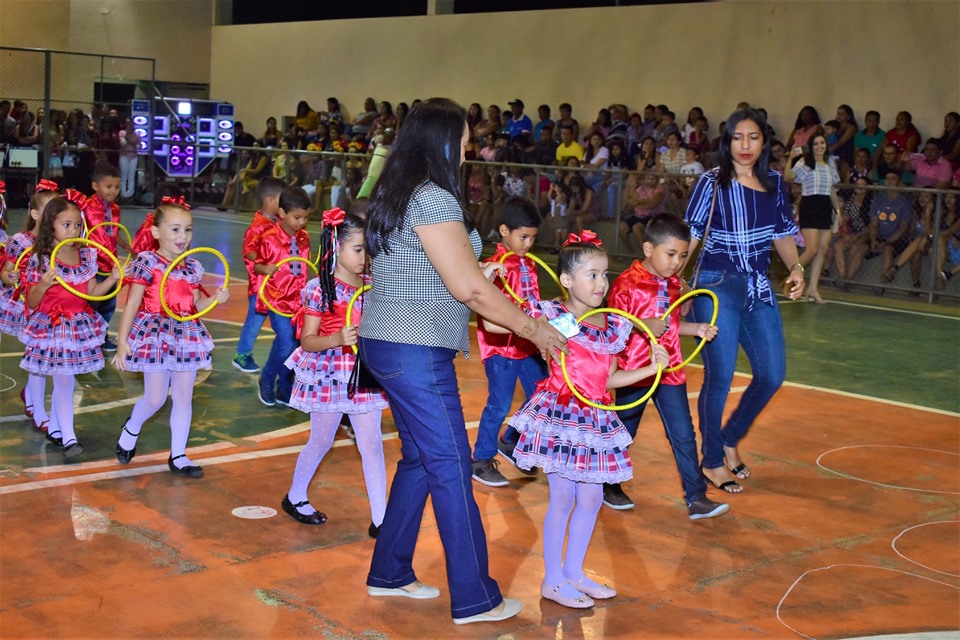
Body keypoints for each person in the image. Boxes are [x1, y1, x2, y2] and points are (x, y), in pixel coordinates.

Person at [358, 97, 565, 625]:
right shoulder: (432, 199)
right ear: (443, 141)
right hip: (415, 349)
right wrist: (535, 330)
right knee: (451, 466)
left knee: (422, 461)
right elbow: (469, 288)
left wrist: (494, 298)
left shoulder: (400, 193)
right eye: (465, 139)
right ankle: (476, 597)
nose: (471, 148)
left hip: (391, 343)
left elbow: (450, 280)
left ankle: (390, 571)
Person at [493, 233, 668, 608]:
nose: (601, 283)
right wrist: (491, 280)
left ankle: (573, 572)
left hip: (595, 418)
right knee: (563, 497)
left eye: (605, 275)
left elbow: (608, 381)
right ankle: (552, 580)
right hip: (560, 415)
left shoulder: (612, 328)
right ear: (567, 280)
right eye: (591, 275)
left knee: (590, 499)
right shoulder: (554, 317)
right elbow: (496, 327)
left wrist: (652, 367)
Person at [683, 108, 804, 493]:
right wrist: (676, 283)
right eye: (738, 137)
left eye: (753, 137)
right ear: (727, 141)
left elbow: (782, 232)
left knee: (771, 374)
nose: (746, 145)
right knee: (719, 375)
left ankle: (731, 437)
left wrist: (797, 268)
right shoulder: (711, 182)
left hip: (758, 287)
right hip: (716, 284)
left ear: (764, 142)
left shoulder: (774, 183)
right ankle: (713, 461)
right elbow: (692, 235)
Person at [606, 213, 727, 518]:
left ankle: (696, 497)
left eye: (683, 256)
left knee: (684, 434)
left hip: (670, 371)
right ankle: (609, 484)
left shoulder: (674, 284)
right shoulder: (627, 284)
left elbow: (670, 326)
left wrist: (696, 329)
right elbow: (612, 326)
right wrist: (641, 325)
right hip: (636, 372)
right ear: (649, 249)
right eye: (670, 254)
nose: (677, 263)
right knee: (625, 431)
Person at [281, 210, 388, 535]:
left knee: (372, 444)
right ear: (335, 247)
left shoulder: (374, 285)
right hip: (329, 373)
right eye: (358, 249)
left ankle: (382, 520)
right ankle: (295, 495)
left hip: (363, 374)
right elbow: (307, 340)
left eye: (367, 249)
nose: (364, 257)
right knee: (322, 440)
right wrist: (336, 339)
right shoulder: (320, 289)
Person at [112, 197, 229, 476]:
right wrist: (121, 341)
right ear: (156, 233)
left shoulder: (192, 267)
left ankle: (178, 455)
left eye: (188, 230)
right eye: (175, 229)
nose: (183, 236)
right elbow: (131, 303)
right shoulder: (147, 262)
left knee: (183, 396)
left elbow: (194, 307)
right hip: (154, 332)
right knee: (155, 400)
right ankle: (132, 427)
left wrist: (216, 300)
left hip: (184, 334)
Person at [20, 192, 122, 457]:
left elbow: (93, 293)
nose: (74, 229)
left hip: (78, 325)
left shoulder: (86, 255)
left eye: (77, 224)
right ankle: (69, 438)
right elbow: (31, 301)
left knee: (65, 379)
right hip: (52, 327)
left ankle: (56, 428)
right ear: (49, 225)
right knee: (64, 382)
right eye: (66, 224)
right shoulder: (39, 258)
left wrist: (111, 279)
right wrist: (43, 284)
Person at [471, 197, 548, 486]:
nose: (528, 243)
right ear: (504, 231)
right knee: (499, 404)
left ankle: (510, 440)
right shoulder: (496, 267)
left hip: (527, 345)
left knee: (541, 396)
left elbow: (533, 303)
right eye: (523, 236)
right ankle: (480, 458)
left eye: (532, 238)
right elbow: (492, 311)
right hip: (502, 348)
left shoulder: (529, 265)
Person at [0, 181, 60, 435]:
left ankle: (32, 397)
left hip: (47, 306)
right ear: (35, 214)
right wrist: (9, 277)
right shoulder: (19, 241)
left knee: (39, 355)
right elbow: (7, 271)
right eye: (48, 211)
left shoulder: (60, 242)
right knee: (37, 356)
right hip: (24, 303)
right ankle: (38, 410)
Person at [253, 186, 312, 407]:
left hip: (299, 302)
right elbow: (256, 266)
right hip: (277, 299)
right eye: (297, 217)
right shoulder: (268, 238)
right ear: (282, 213)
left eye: (305, 218)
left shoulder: (304, 238)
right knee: (286, 341)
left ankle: (284, 387)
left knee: (296, 345)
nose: (301, 223)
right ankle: (267, 378)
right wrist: (264, 268)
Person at [231, 177, 286, 373]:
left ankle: (286, 355)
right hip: (260, 286)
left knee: (284, 324)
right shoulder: (257, 226)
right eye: (282, 199)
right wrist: (264, 263)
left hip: (280, 286)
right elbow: (248, 251)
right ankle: (242, 354)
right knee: (254, 321)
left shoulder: (280, 223)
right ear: (271, 201)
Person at [784, 133, 840, 304]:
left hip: (824, 206)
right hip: (810, 205)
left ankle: (813, 289)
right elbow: (788, 177)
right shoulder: (805, 163)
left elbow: (831, 189)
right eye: (815, 143)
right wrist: (791, 158)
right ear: (811, 145)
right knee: (812, 250)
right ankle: (790, 278)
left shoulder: (830, 163)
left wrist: (837, 211)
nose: (819, 146)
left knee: (823, 249)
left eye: (822, 143)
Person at [83, 163, 126, 351]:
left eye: (117, 187)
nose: (113, 191)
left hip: (111, 264)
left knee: (109, 303)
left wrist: (125, 245)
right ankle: (86, 336)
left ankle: (102, 336)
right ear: (95, 186)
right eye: (109, 186)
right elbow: (93, 235)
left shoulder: (115, 209)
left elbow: (113, 232)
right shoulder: (87, 207)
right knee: (92, 303)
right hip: (94, 263)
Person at [870, 170, 913, 285]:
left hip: (897, 239)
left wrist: (886, 241)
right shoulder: (879, 199)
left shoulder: (904, 202)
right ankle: (846, 280)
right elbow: (873, 224)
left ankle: (883, 283)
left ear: (899, 182)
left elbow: (903, 228)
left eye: (893, 179)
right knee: (859, 248)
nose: (889, 181)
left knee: (888, 248)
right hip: (880, 236)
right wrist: (874, 239)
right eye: (887, 178)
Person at [117, 119, 140, 202]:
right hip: (124, 156)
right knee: (123, 176)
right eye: (128, 124)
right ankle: (123, 194)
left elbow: (138, 147)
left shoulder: (137, 134)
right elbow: (122, 143)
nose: (129, 126)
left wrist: (134, 143)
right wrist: (127, 138)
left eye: (131, 124)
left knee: (131, 176)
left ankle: (130, 194)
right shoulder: (122, 133)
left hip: (133, 157)